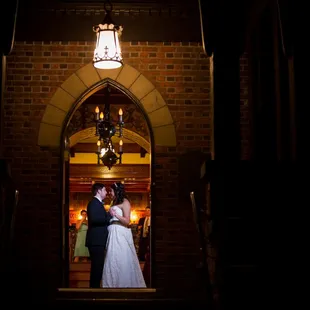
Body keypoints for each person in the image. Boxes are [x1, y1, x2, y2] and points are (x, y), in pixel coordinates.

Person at [102, 182, 146, 288]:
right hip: (112, 232)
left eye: (111, 191)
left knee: (121, 257)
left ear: (117, 191)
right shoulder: (114, 202)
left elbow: (127, 221)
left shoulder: (125, 202)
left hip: (119, 232)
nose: (109, 193)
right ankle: (111, 283)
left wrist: (116, 214)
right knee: (111, 257)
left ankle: (123, 283)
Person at [85, 183, 111, 288]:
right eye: (105, 190)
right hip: (96, 241)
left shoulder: (98, 203)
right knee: (96, 267)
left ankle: (95, 288)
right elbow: (94, 219)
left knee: (98, 266)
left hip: (98, 240)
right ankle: (93, 290)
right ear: (99, 191)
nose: (106, 192)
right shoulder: (93, 203)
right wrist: (109, 216)